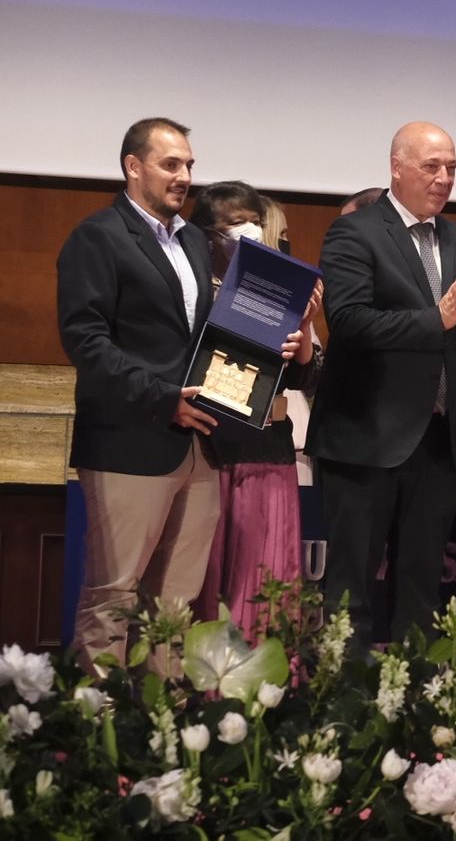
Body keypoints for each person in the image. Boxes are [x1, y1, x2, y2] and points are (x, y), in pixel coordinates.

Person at [56, 118, 303, 671]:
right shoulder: (97, 237)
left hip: (200, 445)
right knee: (113, 598)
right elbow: (86, 343)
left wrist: (274, 341)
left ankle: (157, 738)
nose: (184, 176)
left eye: (189, 165)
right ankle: (101, 741)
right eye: (172, 164)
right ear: (133, 166)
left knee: (174, 605)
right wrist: (163, 397)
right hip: (129, 444)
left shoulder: (194, 240)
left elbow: (211, 337)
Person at [306, 122, 456, 648]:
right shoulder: (355, 233)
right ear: (396, 167)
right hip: (365, 440)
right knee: (350, 590)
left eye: (451, 167)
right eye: (432, 166)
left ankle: (416, 709)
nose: (444, 178)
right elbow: (350, 322)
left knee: (422, 592)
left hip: (436, 443)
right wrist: (437, 321)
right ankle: (344, 710)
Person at [189, 182, 321, 638]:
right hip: (212, 447)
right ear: (208, 233)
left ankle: (266, 693)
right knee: (212, 580)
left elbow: (306, 380)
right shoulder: (194, 287)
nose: (249, 230)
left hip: (270, 448)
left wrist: (304, 330)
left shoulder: (276, 286)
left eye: (254, 220)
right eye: (233, 223)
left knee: (265, 581)